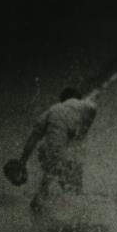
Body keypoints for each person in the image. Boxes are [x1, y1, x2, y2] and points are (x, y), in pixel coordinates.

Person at [17, 87, 97, 217]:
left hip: (50, 150)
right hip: (67, 151)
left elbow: (33, 138)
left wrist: (22, 162)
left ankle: (39, 214)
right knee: (74, 185)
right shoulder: (84, 105)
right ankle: (76, 217)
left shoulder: (51, 110)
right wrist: (82, 128)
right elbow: (92, 107)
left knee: (49, 180)